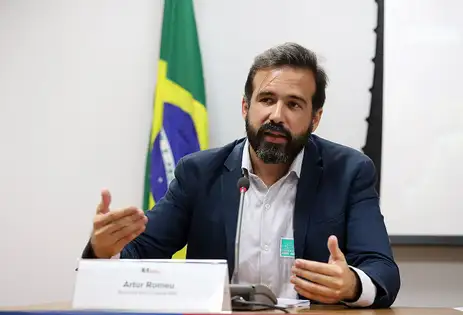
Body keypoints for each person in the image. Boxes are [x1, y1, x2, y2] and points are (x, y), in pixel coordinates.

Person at [82, 42, 400, 308]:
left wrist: (352, 285)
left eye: (294, 104)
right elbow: (139, 254)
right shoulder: (199, 174)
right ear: (246, 107)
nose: (277, 115)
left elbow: (382, 270)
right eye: (266, 100)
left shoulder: (349, 172)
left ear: (315, 119)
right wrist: (103, 250)